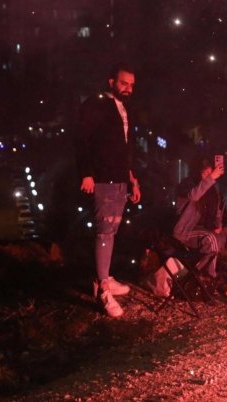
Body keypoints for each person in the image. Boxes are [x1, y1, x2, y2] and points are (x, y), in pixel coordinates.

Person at [76, 64, 141, 318]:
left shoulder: (123, 108)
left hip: (120, 179)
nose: (128, 88)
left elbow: (126, 149)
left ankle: (103, 277)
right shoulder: (96, 104)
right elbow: (81, 140)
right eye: (124, 83)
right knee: (104, 230)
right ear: (111, 81)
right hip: (102, 179)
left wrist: (133, 179)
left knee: (111, 230)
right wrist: (86, 172)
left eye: (132, 85)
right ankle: (103, 290)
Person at [173, 159, 227, 289]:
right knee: (211, 238)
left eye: (211, 173)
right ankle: (209, 280)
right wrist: (211, 178)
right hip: (186, 231)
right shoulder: (187, 184)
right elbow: (193, 196)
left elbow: (218, 211)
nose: (210, 177)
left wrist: (218, 224)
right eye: (206, 174)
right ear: (198, 173)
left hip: (209, 230)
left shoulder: (214, 190)